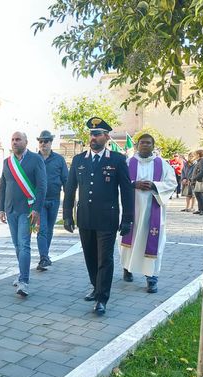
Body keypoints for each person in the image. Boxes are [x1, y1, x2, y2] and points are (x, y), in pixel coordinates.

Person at [62, 117, 134, 315]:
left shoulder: (117, 160)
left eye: (97, 134)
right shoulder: (78, 160)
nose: (93, 138)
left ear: (106, 136)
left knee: (105, 259)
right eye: (91, 134)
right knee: (90, 257)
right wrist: (67, 215)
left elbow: (127, 191)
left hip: (107, 218)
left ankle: (102, 298)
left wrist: (128, 218)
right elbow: (70, 190)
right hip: (85, 217)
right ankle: (96, 287)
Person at [120, 134, 177, 294]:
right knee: (127, 241)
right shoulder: (128, 163)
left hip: (153, 211)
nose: (145, 145)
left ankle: (151, 278)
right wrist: (134, 184)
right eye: (142, 143)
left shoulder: (162, 164)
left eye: (148, 143)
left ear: (153, 145)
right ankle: (127, 268)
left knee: (153, 243)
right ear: (137, 145)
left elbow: (172, 182)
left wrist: (154, 185)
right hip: (131, 210)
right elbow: (119, 183)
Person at [0, 131, 47, 297]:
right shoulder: (7, 162)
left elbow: (42, 186)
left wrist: (37, 209)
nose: (14, 142)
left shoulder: (36, 159)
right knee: (17, 245)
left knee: (24, 244)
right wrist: (1, 208)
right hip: (10, 209)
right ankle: (21, 274)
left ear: (26, 142)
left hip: (27, 210)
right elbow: (3, 186)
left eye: (18, 139)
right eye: (12, 140)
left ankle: (24, 282)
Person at [35, 130, 68, 271]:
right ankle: (43, 258)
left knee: (49, 229)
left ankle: (45, 256)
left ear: (51, 142)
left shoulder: (59, 160)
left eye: (46, 141)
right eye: (41, 141)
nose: (43, 144)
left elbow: (66, 180)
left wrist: (69, 201)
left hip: (54, 200)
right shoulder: (33, 159)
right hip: (39, 201)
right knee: (41, 230)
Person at [191, 149, 203, 215]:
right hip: (200, 180)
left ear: (198, 155)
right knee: (198, 194)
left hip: (201, 180)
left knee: (199, 194)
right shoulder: (201, 160)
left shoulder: (202, 160)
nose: (194, 156)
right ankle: (200, 209)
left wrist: (195, 178)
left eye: (195, 154)